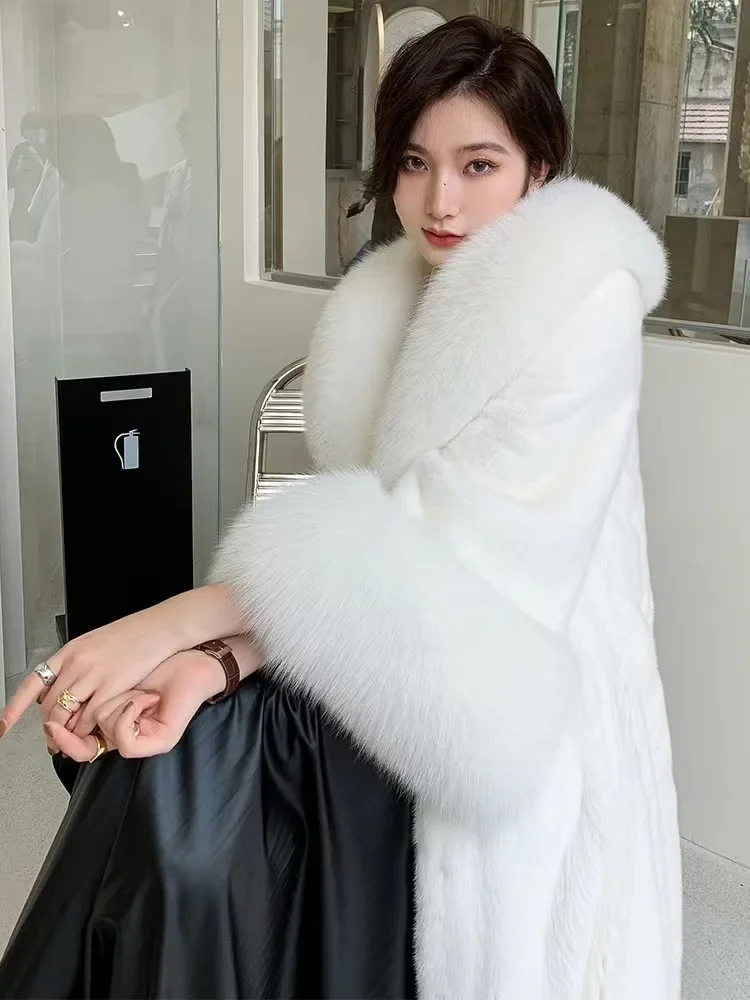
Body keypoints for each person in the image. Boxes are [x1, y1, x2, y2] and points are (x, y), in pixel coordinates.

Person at [0, 16, 681, 1000]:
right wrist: (214, 658)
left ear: (539, 170)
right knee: (169, 791)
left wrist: (172, 624)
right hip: (407, 671)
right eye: (414, 162)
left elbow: (448, 549)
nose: (439, 201)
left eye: (479, 165)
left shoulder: (580, 303)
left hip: (527, 706)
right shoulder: (403, 295)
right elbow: (376, 567)